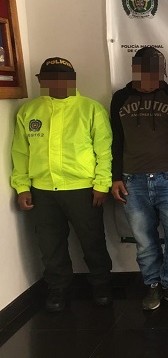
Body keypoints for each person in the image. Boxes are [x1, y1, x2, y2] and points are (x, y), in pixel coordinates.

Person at [10, 57, 113, 312]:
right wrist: (22, 187)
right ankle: (58, 288)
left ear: (73, 79)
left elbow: (104, 151)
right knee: (50, 244)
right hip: (43, 191)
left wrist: (102, 184)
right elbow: (20, 153)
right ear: (41, 81)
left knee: (92, 241)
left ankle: (101, 284)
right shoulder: (29, 112)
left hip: (83, 189)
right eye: (51, 78)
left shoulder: (91, 109)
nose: (58, 83)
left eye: (64, 78)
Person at [110, 47, 168, 310]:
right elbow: (116, 140)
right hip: (132, 181)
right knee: (144, 240)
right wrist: (115, 177)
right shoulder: (120, 98)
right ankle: (153, 285)